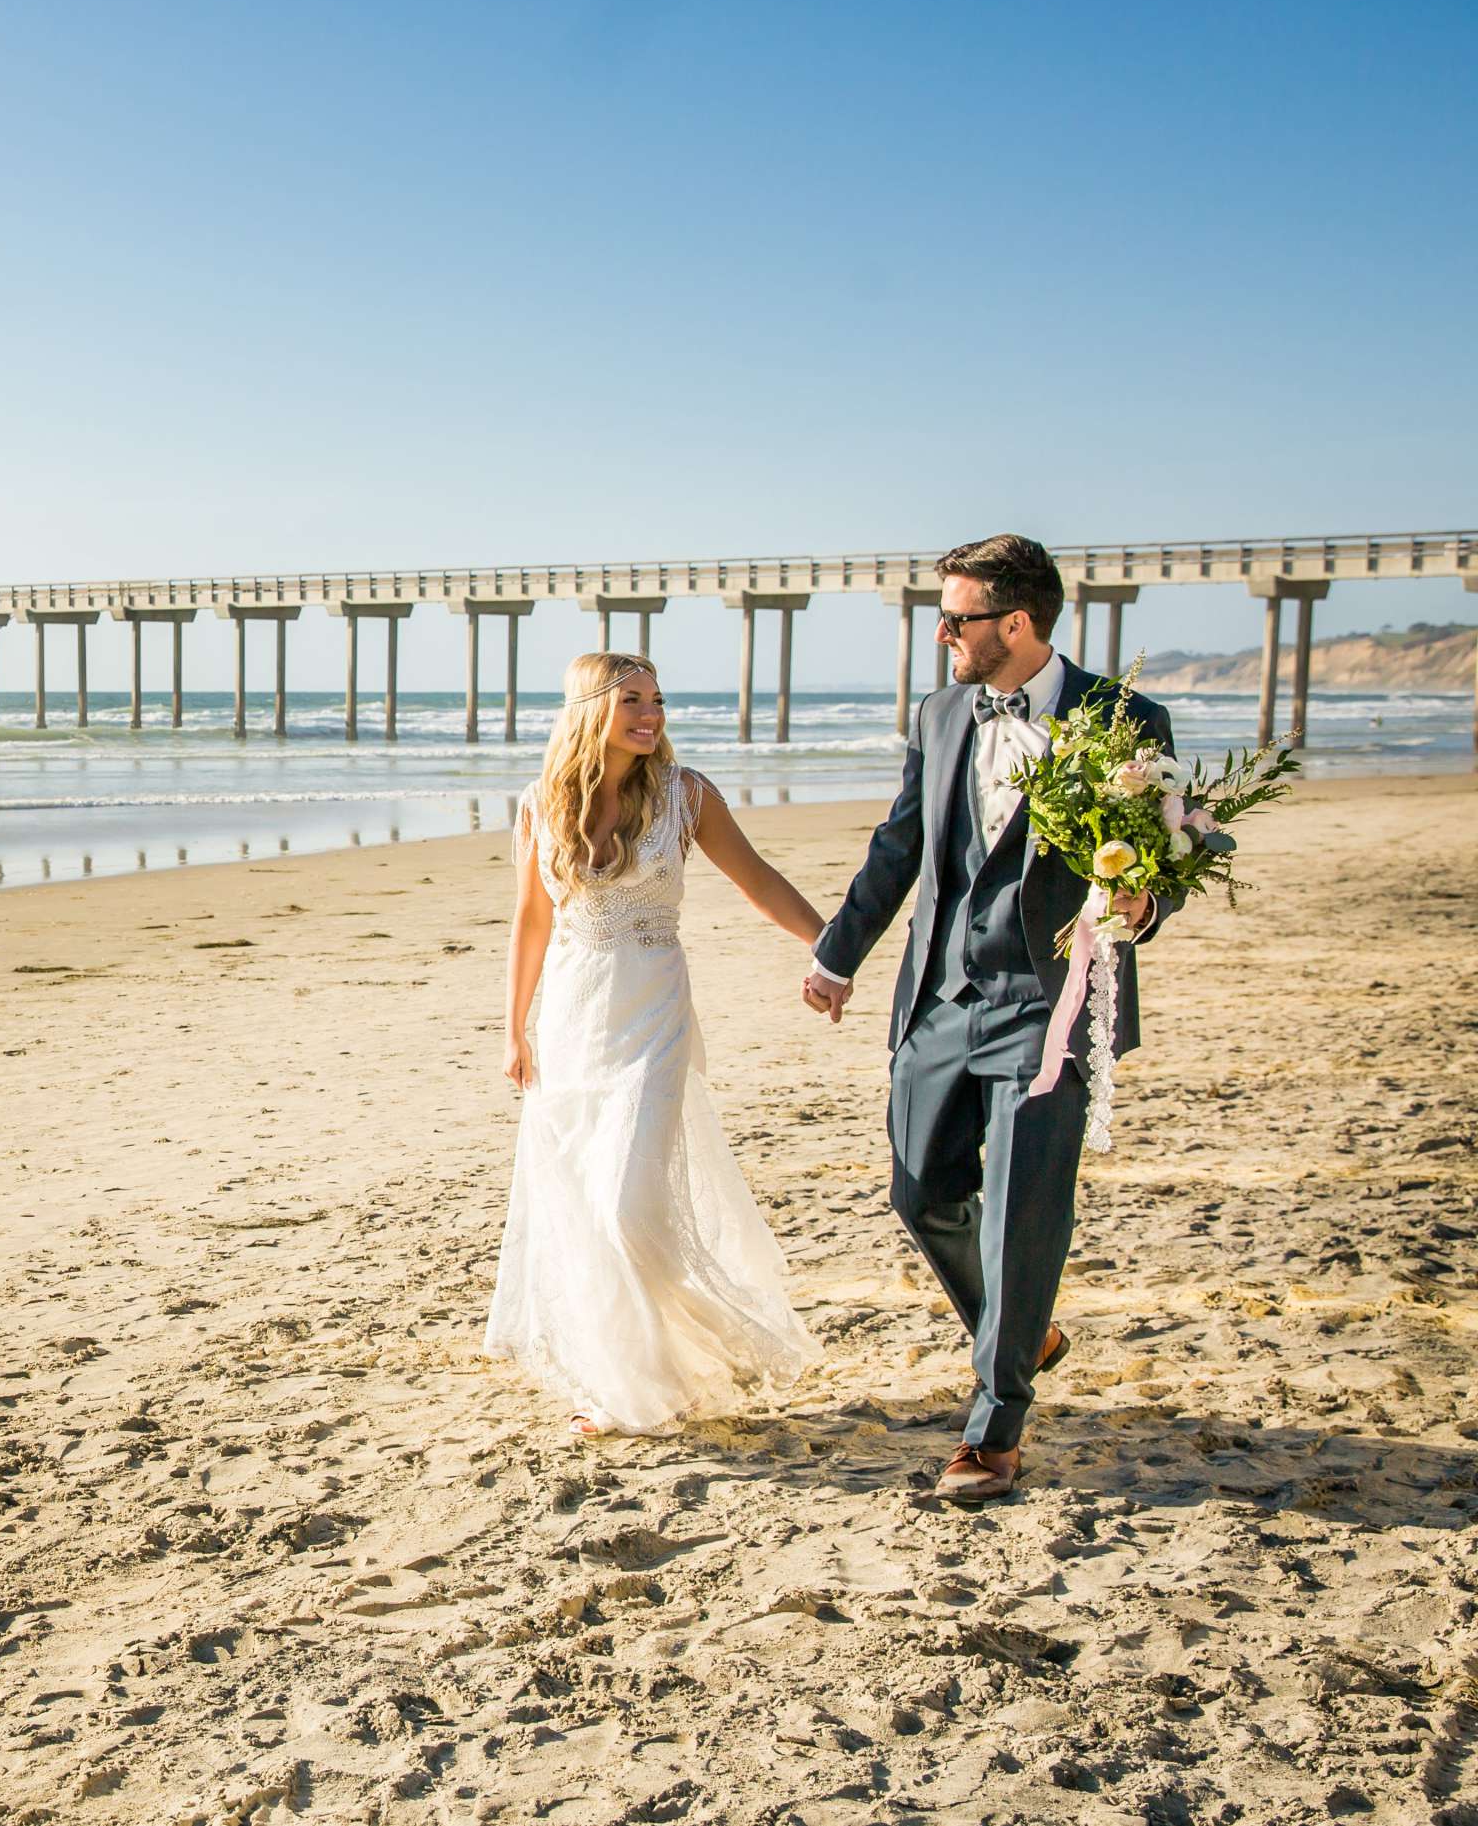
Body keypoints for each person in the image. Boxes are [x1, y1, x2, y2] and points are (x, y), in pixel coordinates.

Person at [802, 533, 1180, 1501]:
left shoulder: (1123, 717)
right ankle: (1025, 1330)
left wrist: (1145, 903)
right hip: (940, 993)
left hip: (1049, 1001)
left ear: (1015, 622)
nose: (940, 635)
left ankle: (992, 1425)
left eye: (957, 619)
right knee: (918, 1189)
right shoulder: (939, 713)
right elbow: (901, 846)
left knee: (1023, 1210)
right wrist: (838, 953)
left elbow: (1163, 851)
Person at [488, 650, 825, 1436]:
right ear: (588, 709)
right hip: (572, 1020)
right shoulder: (542, 804)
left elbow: (759, 878)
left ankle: (681, 1350)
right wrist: (513, 1027)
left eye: (658, 700)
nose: (652, 714)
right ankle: (619, 1383)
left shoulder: (687, 795)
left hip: (654, 1015)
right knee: (582, 1202)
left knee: (627, 1203)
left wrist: (830, 943)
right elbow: (532, 920)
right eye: (632, 699)